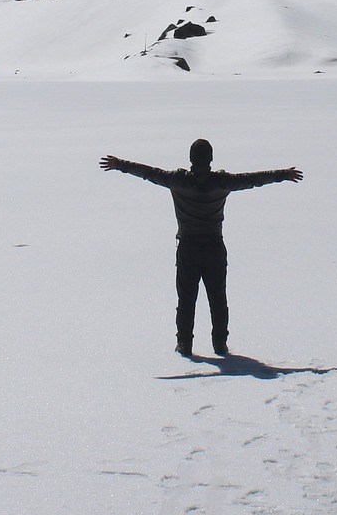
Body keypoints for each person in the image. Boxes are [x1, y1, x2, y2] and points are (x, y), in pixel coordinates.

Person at [100, 139, 302, 357]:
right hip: (214, 247)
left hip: (188, 248)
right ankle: (220, 344)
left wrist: (120, 164)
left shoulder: (177, 180)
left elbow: (148, 173)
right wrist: (282, 174)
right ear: (211, 159)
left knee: (186, 299)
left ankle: (185, 344)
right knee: (218, 297)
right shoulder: (222, 182)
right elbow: (253, 180)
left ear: (191, 159)